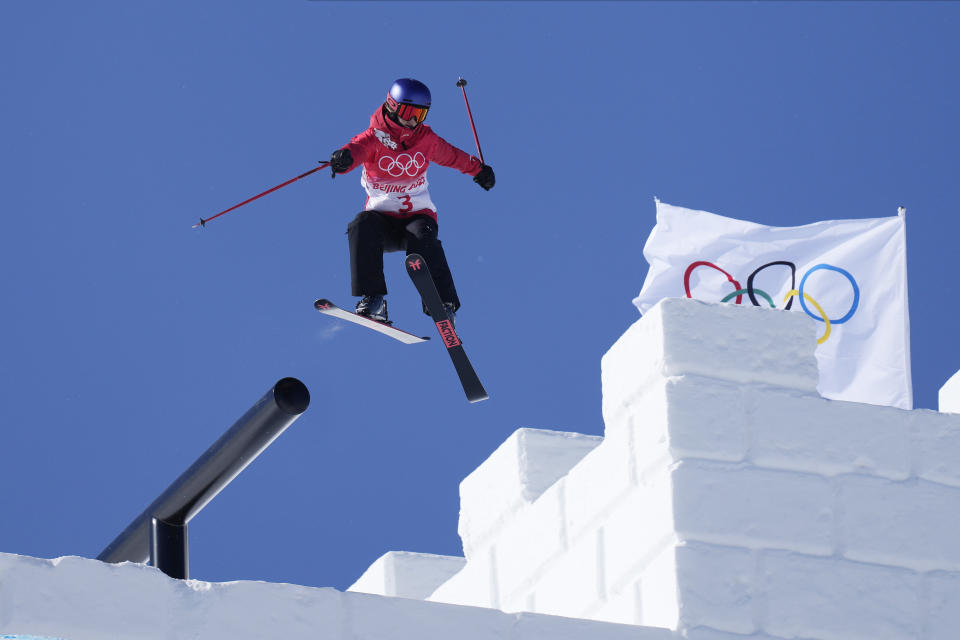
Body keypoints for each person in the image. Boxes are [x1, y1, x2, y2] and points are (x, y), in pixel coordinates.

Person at [329, 78, 495, 326]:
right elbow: (355, 150)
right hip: (381, 221)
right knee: (360, 225)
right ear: (392, 106)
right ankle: (373, 299)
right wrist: (343, 159)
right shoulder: (373, 138)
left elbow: (453, 156)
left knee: (423, 239)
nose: (413, 120)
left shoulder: (425, 140)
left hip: (417, 215)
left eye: (420, 114)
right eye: (409, 112)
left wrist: (478, 171)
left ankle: (443, 303)